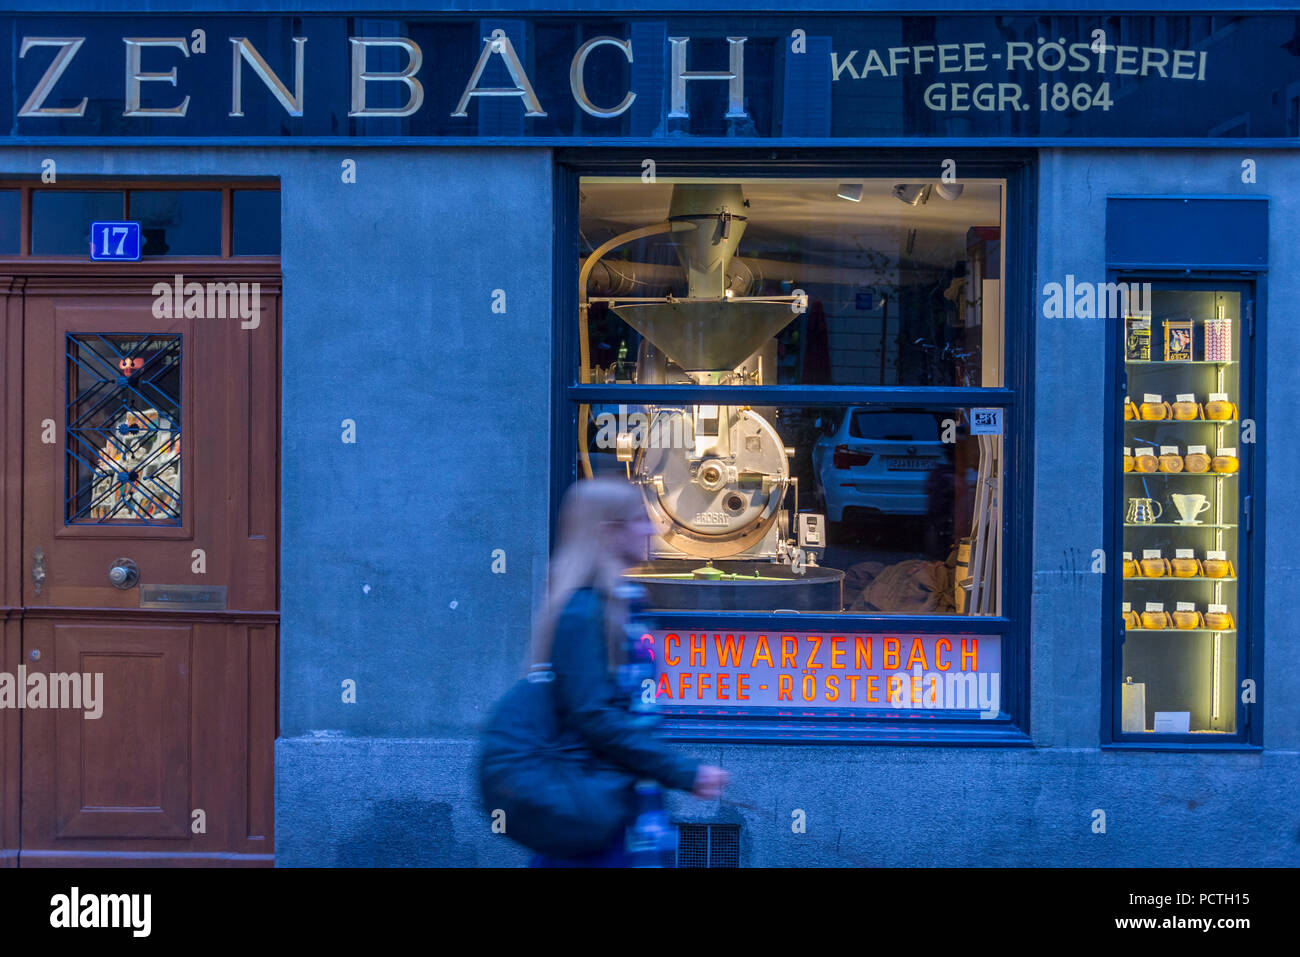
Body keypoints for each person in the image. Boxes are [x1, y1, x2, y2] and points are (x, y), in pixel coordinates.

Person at [527, 478, 729, 867]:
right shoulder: (583, 612)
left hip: (624, 812)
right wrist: (683, 772)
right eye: (640, 519)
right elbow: (594, 715)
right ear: (609, 531)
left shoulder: (621, 603)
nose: (653, 528)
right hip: (593, 818)